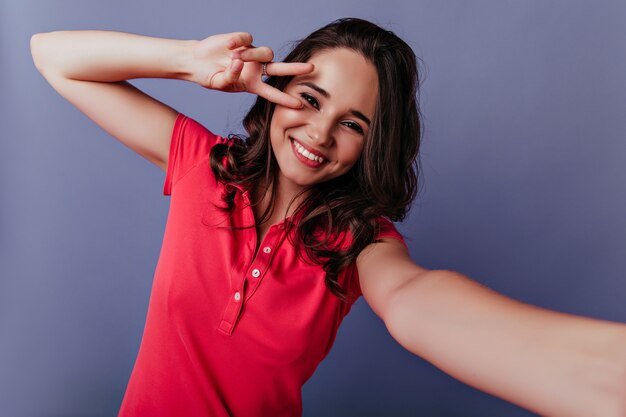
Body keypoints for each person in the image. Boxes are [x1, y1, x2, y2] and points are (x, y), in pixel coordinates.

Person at [30, 17, 625, 417]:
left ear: (374, 146)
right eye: (310, 100)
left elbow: (417, 300)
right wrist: (187, 61)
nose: (319, 132)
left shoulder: (360, 243)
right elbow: (52, 56)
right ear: (276, 88)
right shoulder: (204, 165)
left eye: (352, 124)